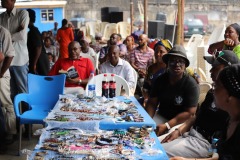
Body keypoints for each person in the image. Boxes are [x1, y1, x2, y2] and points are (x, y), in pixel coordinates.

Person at [163, 50, 240, 158]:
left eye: (215, 67)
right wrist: (179, 130)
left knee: (155, 151)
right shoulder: (229, 115)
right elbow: (197, 115)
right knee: (151, 144)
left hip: (203, 143)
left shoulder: (231, 113)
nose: (211, 71)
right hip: (191, 133)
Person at [145, 45, 199, 137]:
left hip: (181, 122)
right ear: (167, 63)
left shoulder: (191, 84)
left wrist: (167, 125)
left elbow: (190, 113)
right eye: (173, 61)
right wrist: (147, 121)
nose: (177, 64)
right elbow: (152, 103)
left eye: (181, 61)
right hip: (162, 116)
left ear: (185, 65)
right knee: (146, 133)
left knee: (165, 140)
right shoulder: (160, 80)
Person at [0, 0, 29, 102]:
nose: (2, 1)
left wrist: (6, 37)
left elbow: (21, 35)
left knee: (22, 90)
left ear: (13, 1)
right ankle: (15, 117)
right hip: (6, 61)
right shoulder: (1, 17)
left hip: (20, 59)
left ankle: (25, 115)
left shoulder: (22, 14)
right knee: (10, 92)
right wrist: (14, 33)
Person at [141, 39, 172, 106]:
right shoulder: (151, 68)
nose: (158, 54)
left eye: (161, 52)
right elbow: (145, 88)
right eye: (156, 51)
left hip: (164, 104)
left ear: (168, 52)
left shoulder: (171, 69)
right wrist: (146, 99)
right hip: (149, 101)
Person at [0, 25, 15, 147]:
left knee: (6, 104)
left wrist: (1, 73)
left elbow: (9, 55)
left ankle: (11, 132)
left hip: (1, 74)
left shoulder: (3, 32)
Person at [27, 9, 49, 75]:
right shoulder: (31, 31)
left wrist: (34, 63)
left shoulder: (34, 31)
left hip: (40, 61)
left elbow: (38, 47)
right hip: (38, 60)